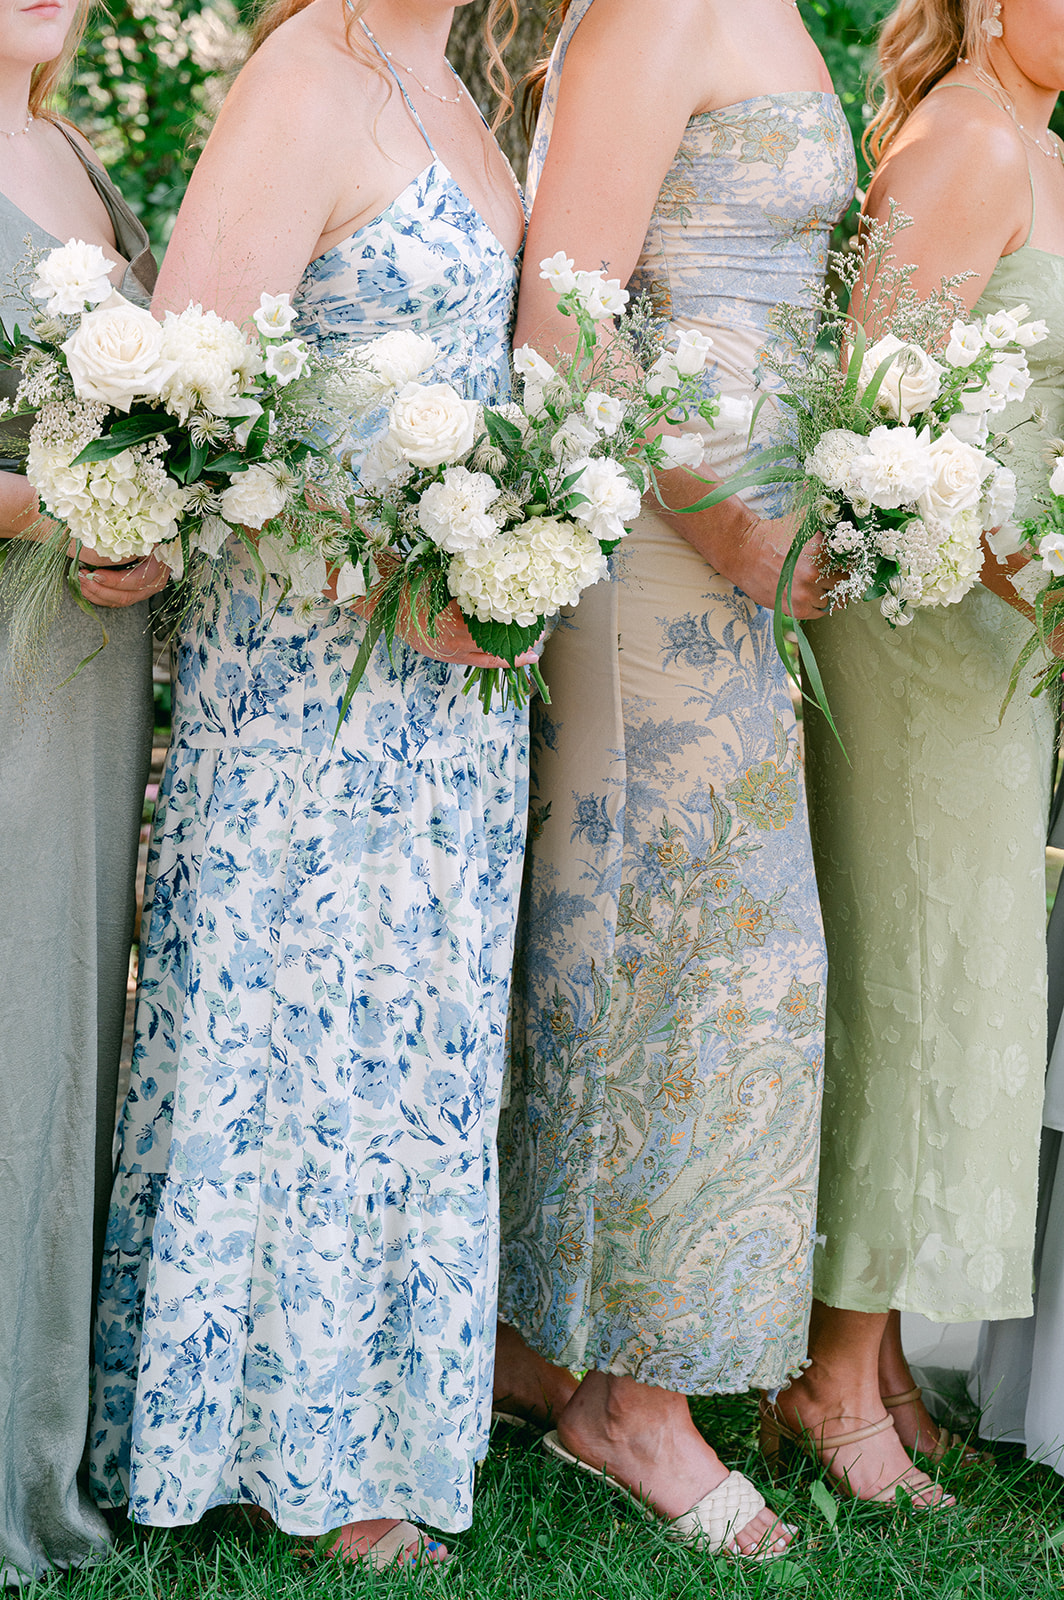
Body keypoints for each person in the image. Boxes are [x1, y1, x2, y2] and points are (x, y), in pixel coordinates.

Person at [88, 0, 527, 1570]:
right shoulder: (301, 75)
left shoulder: (465, 83)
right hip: (308, 669)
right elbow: (194, 395)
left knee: (411, 1033)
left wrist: (502, 557)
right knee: (304, 1019)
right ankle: (272, 1439)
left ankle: (379, 1419)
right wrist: (374, 569)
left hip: (451, 682)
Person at [493, 0, 856, 1559]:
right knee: (685, 950)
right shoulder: (653, 12)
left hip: (750, 552)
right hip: (657, 551)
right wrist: (721, 514)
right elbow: (565, 313)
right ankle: (630, 1397)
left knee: (729, 957)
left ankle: (558, 1345)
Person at [768, 0, 1064, 1503]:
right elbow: (878, 425)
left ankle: (867, 1356)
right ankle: (831, 1384)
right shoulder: (960, 141)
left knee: (960, 980)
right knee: (918, 975)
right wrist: (1040, 568)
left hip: (1000, 633)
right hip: (929, 627)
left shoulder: (1036, 141)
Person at [0, 0, 166, 1583]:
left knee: (61, 1035)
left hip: (93, 653)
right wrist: (57, 507)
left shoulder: (75, 154)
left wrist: (164, 505)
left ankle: (46, 1440)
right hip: (12, 646)